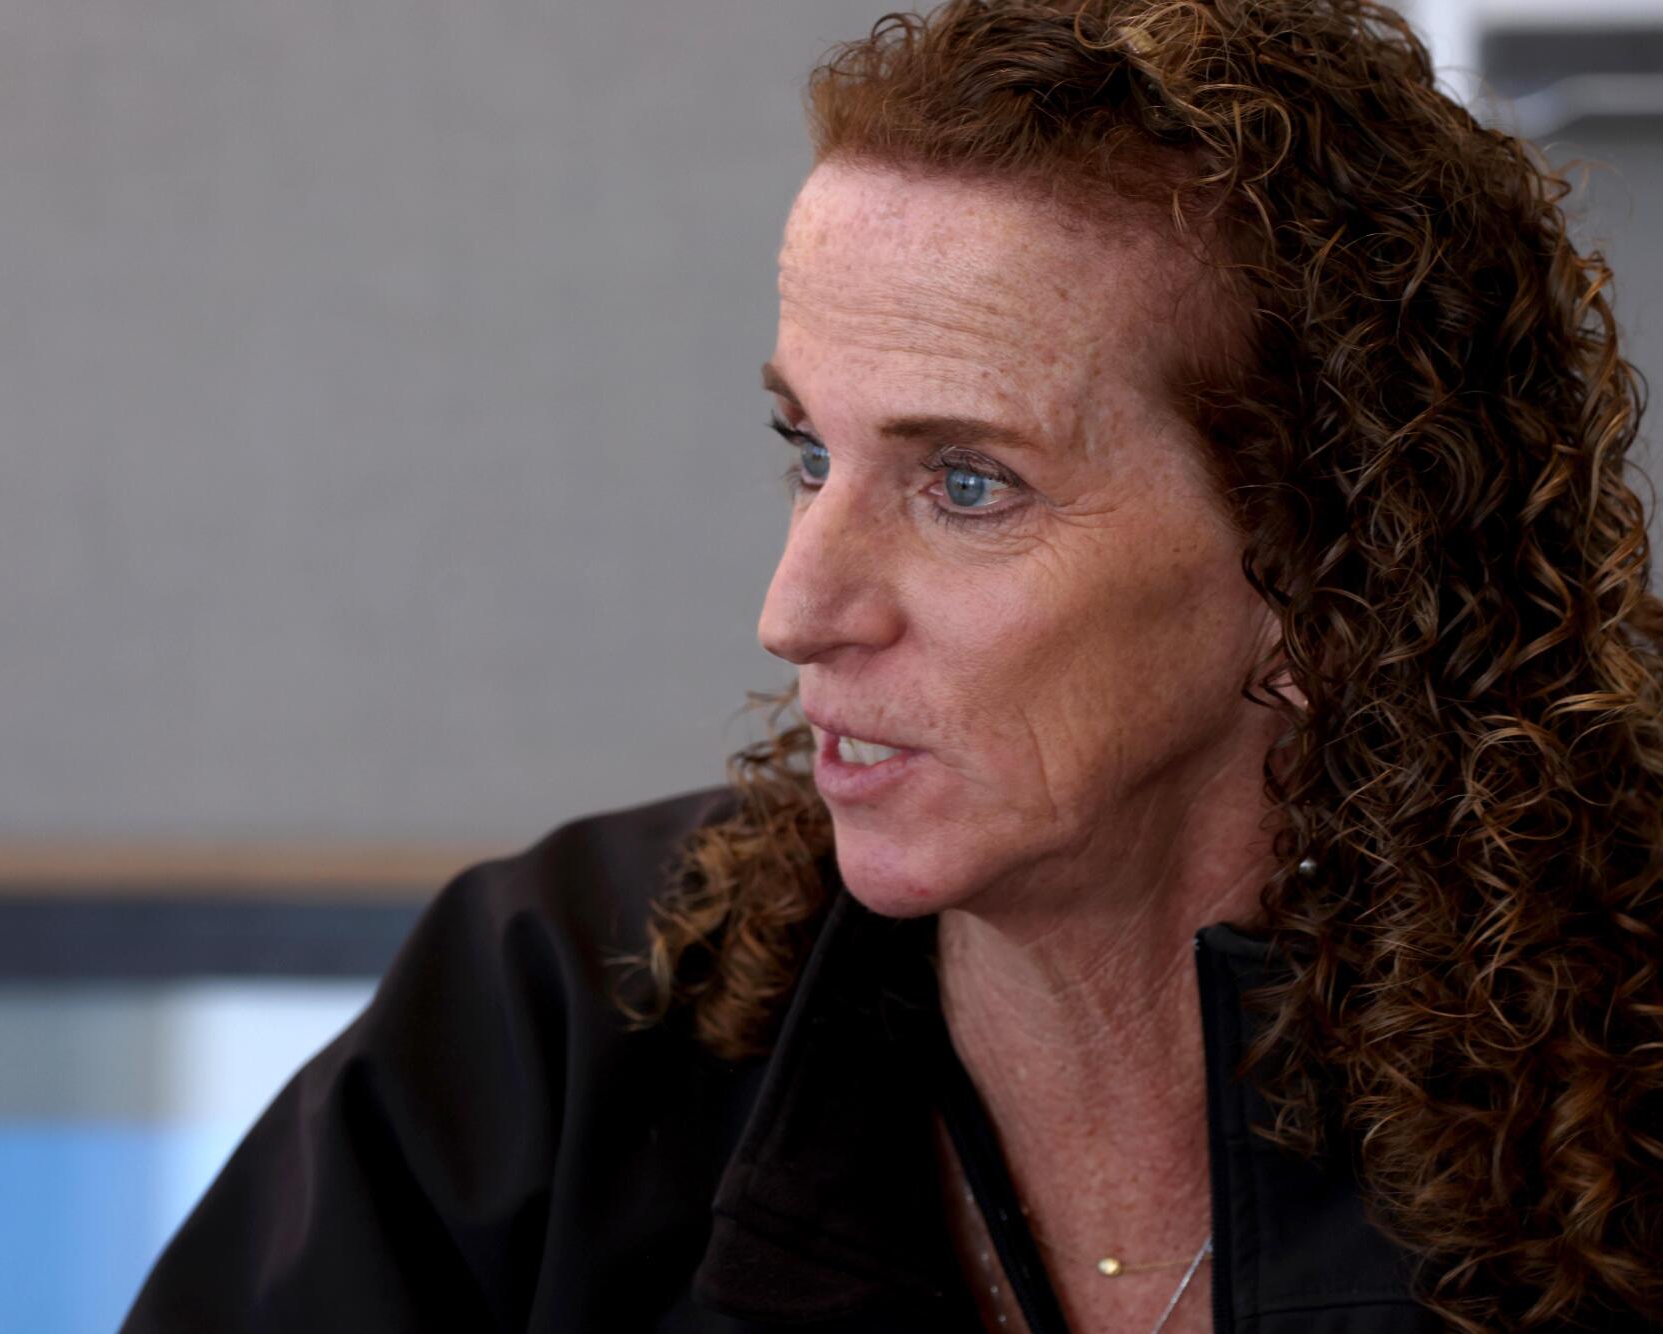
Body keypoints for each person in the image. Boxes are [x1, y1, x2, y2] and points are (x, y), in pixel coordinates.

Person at [120, 0, 1663, 1330]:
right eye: (810, 451)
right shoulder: (558, 1024)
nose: (798, 607)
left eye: (965, 484)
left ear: (1328, 565)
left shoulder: (1629, 1072)